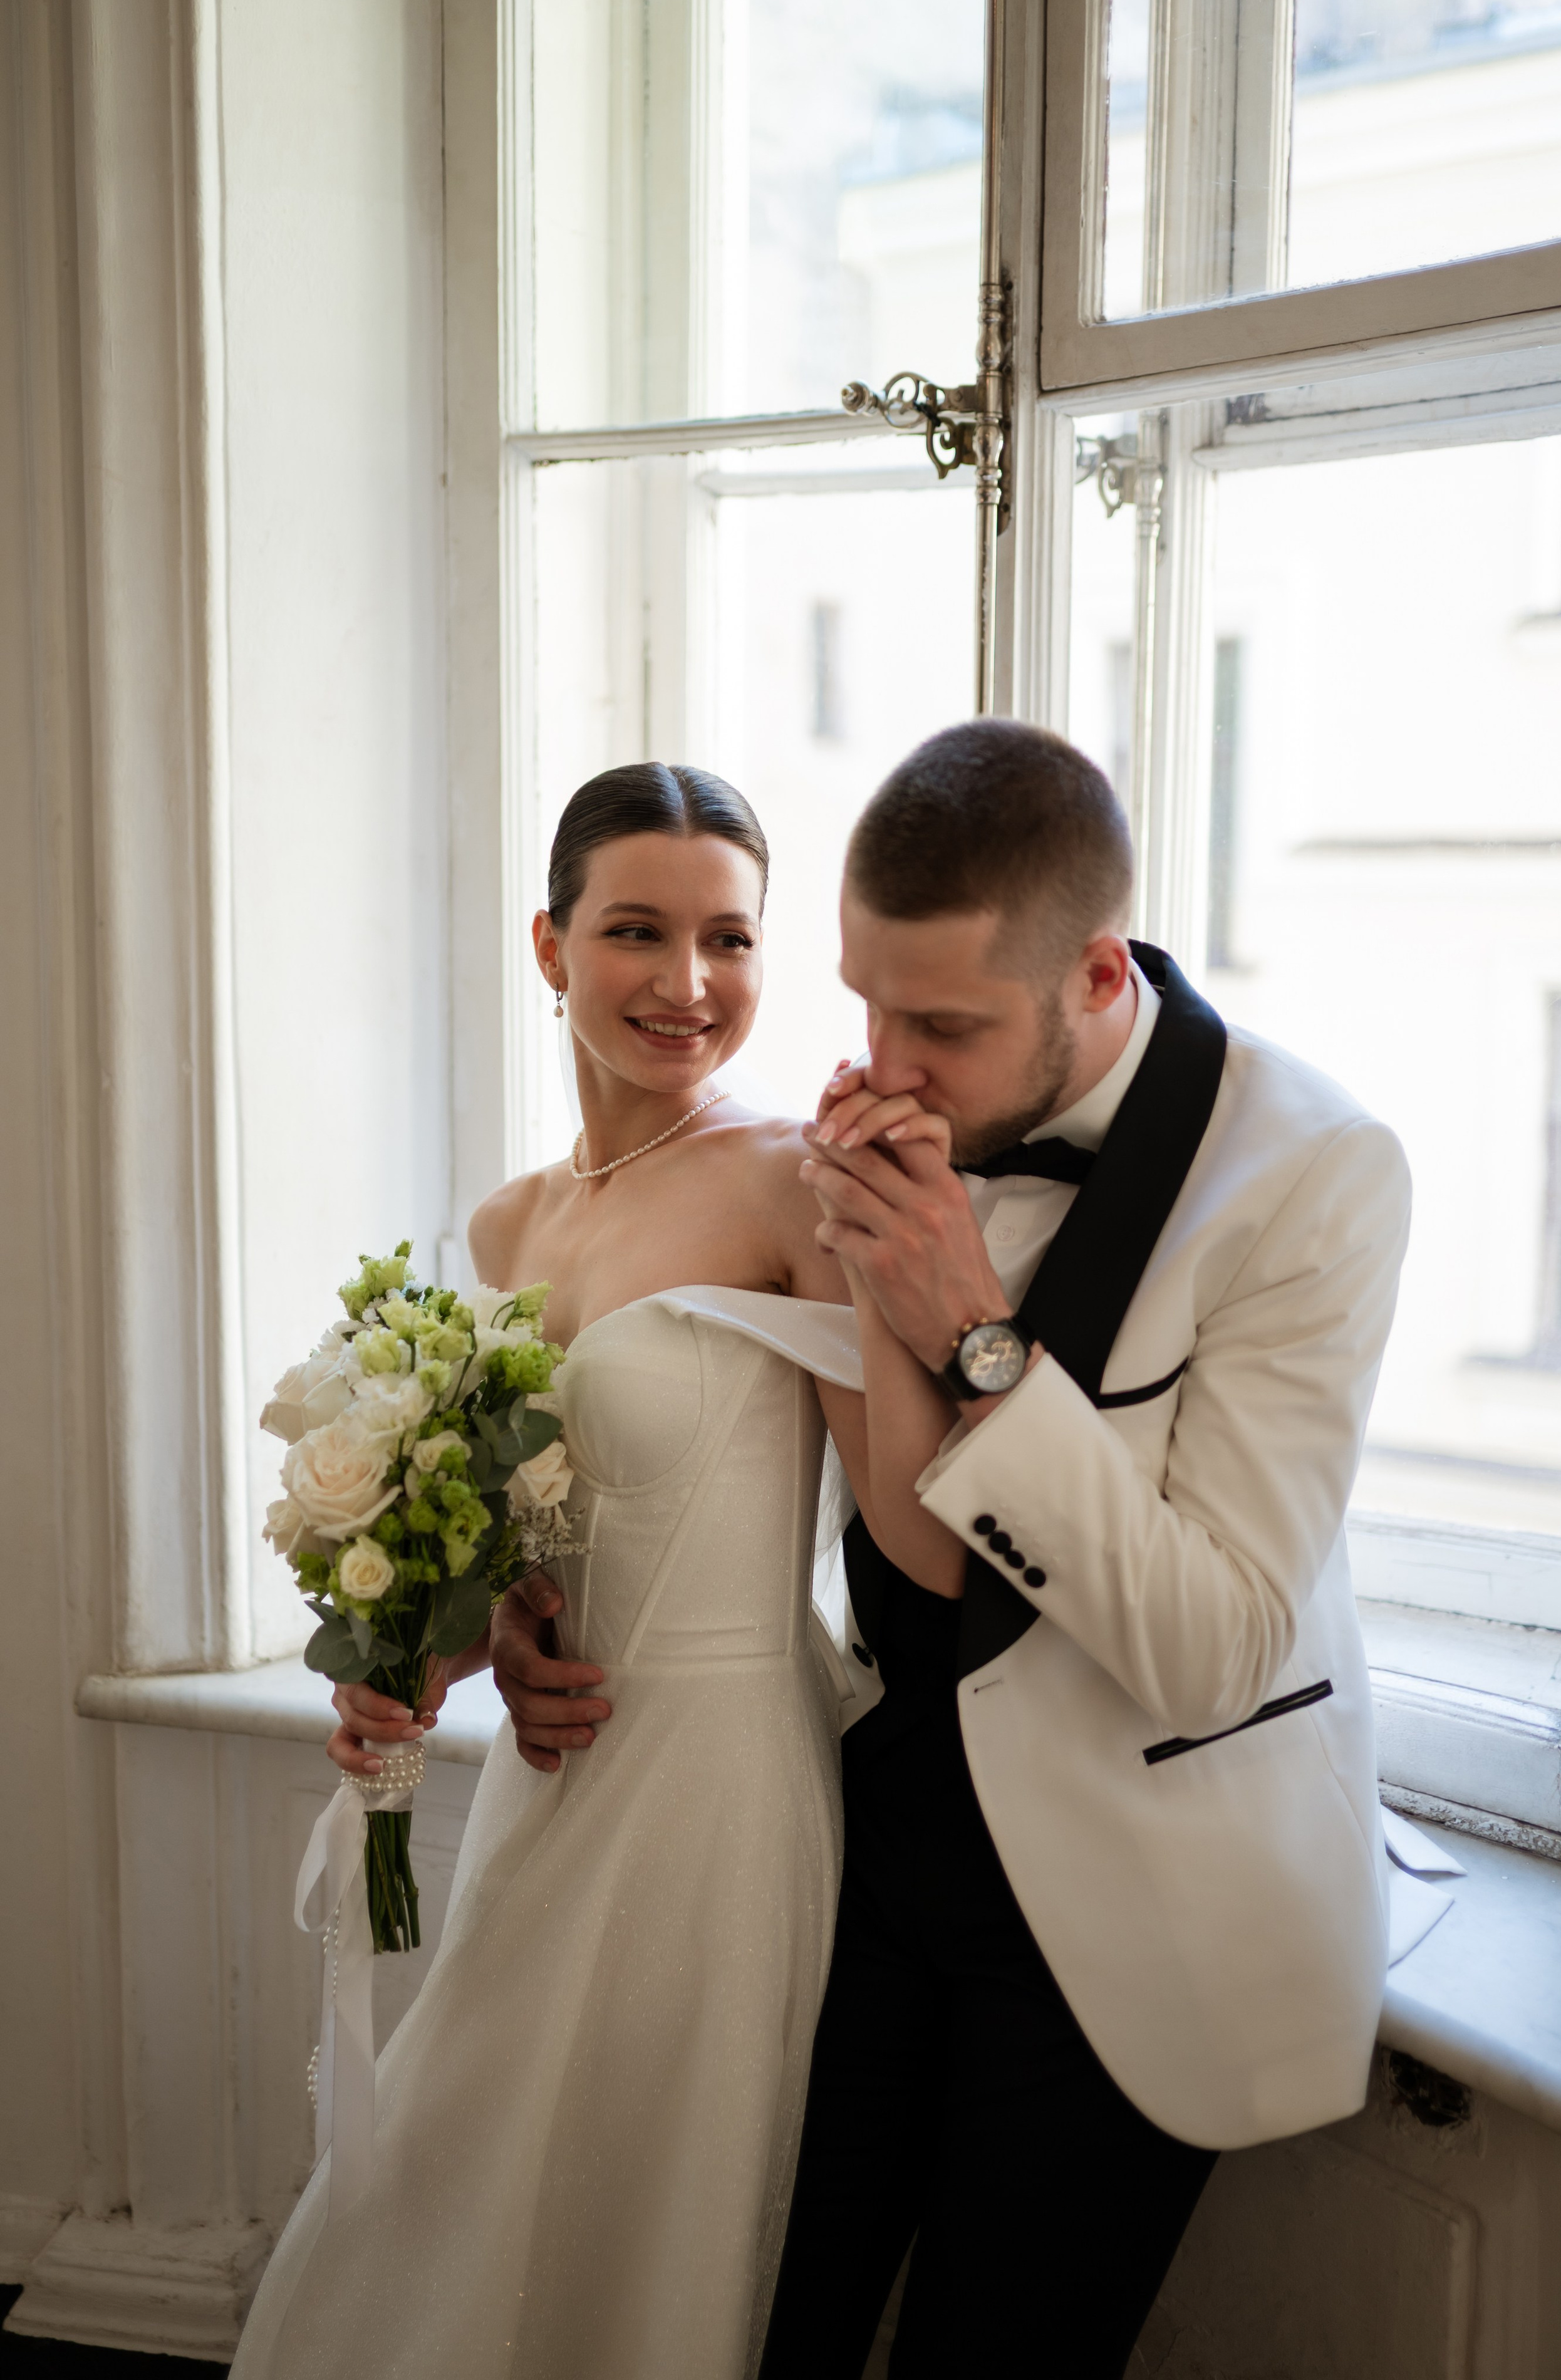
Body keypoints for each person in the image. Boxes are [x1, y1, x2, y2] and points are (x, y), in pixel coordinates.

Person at [232, 763, 939, 2380]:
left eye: (730, 938)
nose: (689, 982)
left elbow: (909, 1532)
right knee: (464, 2174)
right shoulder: (506, 1227)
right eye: (637, 931)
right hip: (556, 1777)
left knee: (646, 2208)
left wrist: (927, 1275)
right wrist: (456, 1644)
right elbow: (541, 1531)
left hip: (721, 1783)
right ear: (550, 945)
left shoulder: (794, 1182)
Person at [751, 718, 1412, 2378]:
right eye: (868, 1005)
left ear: (1099, 971)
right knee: (769, 2323)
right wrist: (871, 1276)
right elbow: (910, 1548)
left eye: (945, 1026)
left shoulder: (1315, 1175)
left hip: (1132, 1888)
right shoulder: (897, 1134)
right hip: (882, 1837)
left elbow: (1215, 1646)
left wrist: (973, 1330)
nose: (888, 1066)